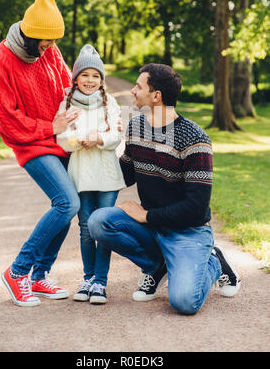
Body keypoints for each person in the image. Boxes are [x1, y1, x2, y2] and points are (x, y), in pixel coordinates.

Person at [88, 63, 241, 315]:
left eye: (139, 86)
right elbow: (123, 174)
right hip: (154, 229)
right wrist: (89, 150)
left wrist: (146, 215)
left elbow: (196, 207)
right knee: (99, 222)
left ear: (156, 96)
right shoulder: (136, 126)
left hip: (188, 232)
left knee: (184, 302)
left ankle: (214, 263)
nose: (133, 91)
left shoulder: (195, 138)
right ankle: (159, 264)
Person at [0, 0, 81, 307]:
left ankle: (40, 276)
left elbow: (68, 86)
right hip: (30, 144)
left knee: (70, 207)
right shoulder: (0, 58)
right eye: (45, 40)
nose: (50, 46)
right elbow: (5, 117)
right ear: (29, 34)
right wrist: (48, 127)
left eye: (54, 41)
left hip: (60, 140)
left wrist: (88, 108)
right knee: (67, 203)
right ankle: (18, 272)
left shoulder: (50, 51)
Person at [56, 44, 125, 304]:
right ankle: (88, 278)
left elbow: (117, 136)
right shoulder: (66, 102)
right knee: (86, 228)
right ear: (76, 78)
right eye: (85, 75)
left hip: (106, 174)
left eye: (95, 76)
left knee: (103, 228)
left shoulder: (111, 102)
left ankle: (101, 283)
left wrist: (97, 138)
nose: (90, 80)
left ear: (101, 80)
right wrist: (78, 141)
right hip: (81, 175)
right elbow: (62, 139)